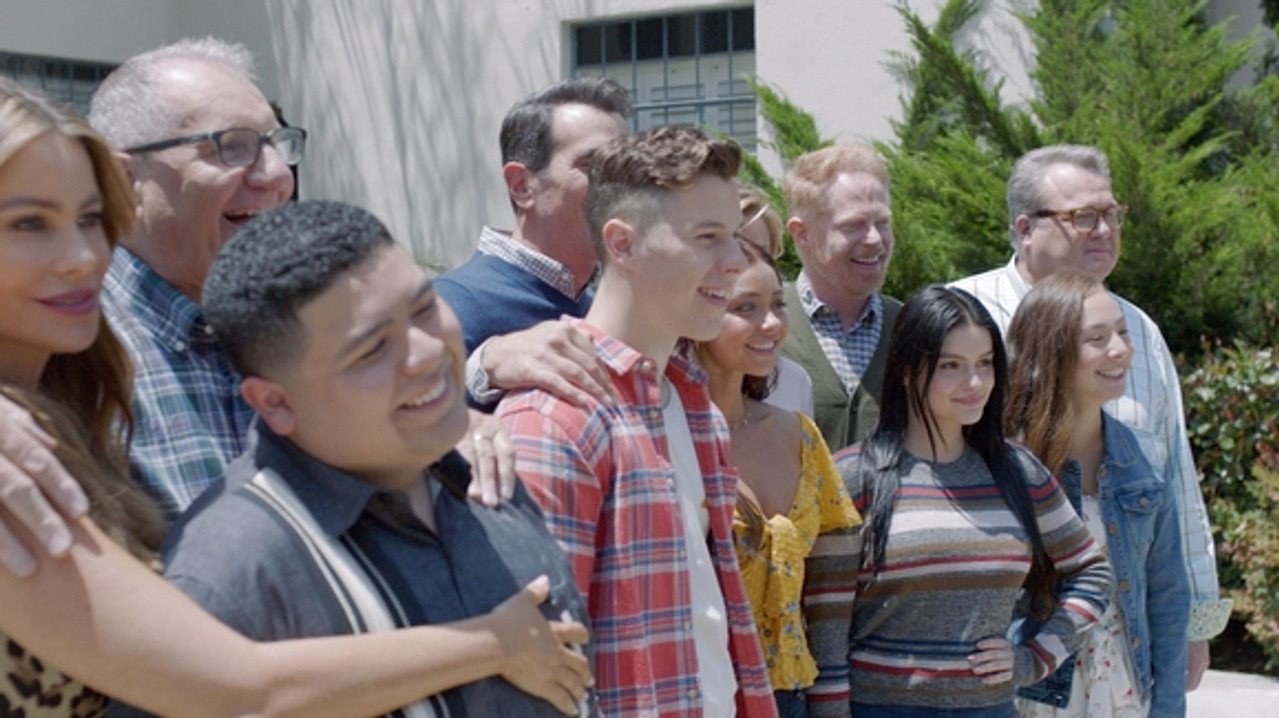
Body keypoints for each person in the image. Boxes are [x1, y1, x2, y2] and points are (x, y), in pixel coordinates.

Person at [0, 78, 590, 717]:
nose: (82, 256)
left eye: (90, 219)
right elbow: (236, 687)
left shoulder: (73, 391)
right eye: (29, 223)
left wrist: (440, 414)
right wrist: (496, 642)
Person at [142, 200, 594, 717]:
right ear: (274, 402)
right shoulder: (228, 577)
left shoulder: (486, 477)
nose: (427, 352)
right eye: (373, 348)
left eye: (424, 308)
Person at [499, 126, 777, 717]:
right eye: (708, 237)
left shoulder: (694, 407)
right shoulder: (555, 417)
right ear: (622, 245)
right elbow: (538, 665)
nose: (737, 262)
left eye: (734, 236)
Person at [950, 144, 1228, 687]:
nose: (1103, 230)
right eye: (1082, 217)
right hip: (1000, 646)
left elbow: (1174, 477)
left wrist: (1194, 623)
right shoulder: (965, 317)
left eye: (1110, 214)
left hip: (1125, 640)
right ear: (1025, 228)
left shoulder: (1137, 330)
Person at [833, 285, 1112, 718]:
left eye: (985, 363)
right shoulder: (854, 476)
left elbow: (1093, 572)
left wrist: (1034, 658)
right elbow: (824, 621)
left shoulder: (1018, 470)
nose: (975, 383)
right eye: (951, 366)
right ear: (905, 370)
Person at [1006, 272, 1189, 718]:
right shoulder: (1004, 464)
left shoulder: (1144, 456)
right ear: (1053, 352)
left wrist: (1168, 706)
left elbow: (1167, 594)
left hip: (1123, 690)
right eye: (1097, 338)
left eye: (1122, 332)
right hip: (1030, 694)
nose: (1120, 349)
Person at [696, 238, 861, 718]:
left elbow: (829, 589)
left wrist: (831, 700)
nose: (771, 323)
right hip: (698, 694)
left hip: (788, 696)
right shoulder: (664, 434)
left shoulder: (799, 434)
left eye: (777, 304)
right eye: (745, 307)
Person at [436, 77, 631, 410]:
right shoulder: (449, 305)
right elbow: (380, 420)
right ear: (522, 186)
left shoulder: (600, 309)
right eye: (594, 166)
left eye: (626, 167)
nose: (621, 186)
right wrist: (481, 369)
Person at [780, 145, 901, 453]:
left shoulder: (909, 328)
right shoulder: (763, 328)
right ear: (802, 233)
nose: (874, 239)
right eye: (853, 225)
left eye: (882, 222)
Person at [736, 181, 816, 417]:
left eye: (764, 254)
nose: (755, 267)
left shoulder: (794, 384)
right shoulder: (667, 382)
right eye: (740, 251)